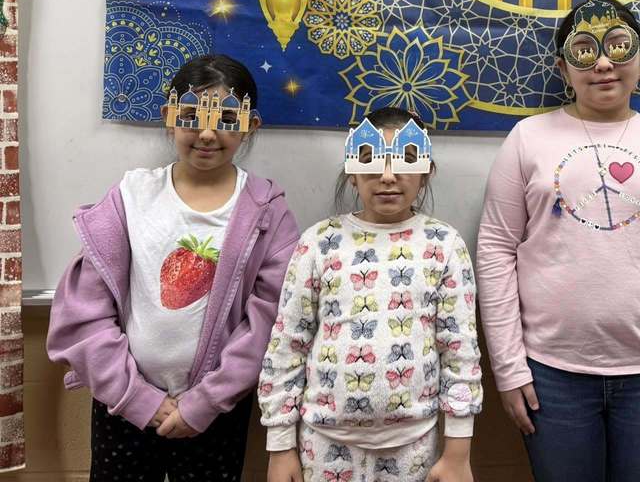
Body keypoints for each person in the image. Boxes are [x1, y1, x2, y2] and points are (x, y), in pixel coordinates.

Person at [477, 0, 640, 482]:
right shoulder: (527, 138)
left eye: (619, 47)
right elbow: (495, 251)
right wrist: (508, 366)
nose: (605, 63)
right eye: (585, 51)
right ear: (564, 68)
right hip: (550, 374)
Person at [47, 54, 299, 481]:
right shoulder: (131, 197)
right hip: (123, 407)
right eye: (189, 116)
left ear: (250, 126)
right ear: (168, 118)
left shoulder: (266, 212)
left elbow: (270, 322)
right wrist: (136, 399)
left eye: (225, 118)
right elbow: (86, 310)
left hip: (215, 413)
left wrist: (206, 401)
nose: (206, 132)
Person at [260, 107, 481, 482]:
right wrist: (280, 447)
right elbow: (287, 345)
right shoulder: (319, 243)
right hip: (322, 442)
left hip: (413, 443)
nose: (388, 176)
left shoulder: (444, 244)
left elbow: (460, 350)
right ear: (351, 171)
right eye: (372, 160)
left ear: (427, 172)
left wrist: (458, 452)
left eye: (406, 161)